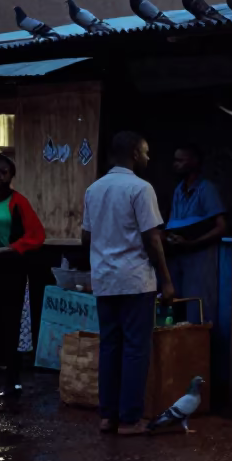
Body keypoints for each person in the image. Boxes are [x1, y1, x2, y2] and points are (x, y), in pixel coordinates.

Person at [82, 132, 175, 435]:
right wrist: (166, 280)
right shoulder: (140, 188)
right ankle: (130, 419)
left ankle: (107, 417)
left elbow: (86, 236)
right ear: (134, 153)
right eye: (146, 152)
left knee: (110, 346)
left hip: (105, 280)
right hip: (135, 280)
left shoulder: (93, 189)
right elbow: (152, 238)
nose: (149, 158)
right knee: (136, 348)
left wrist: (104, 254)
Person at [0, 152, 45, 398]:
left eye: (3, 172)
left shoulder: (19, 202)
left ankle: (12, 378)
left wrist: (12, 249)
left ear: (11, 176)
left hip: (10, 270)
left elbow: (37, 235)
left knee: (10, 322)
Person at [165, 144, 225, 326]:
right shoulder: (178, 190)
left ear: (194, 162)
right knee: (175, 311)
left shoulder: (207, 189)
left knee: (198, 313)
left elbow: (221, 227)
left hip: (200, 261)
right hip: (179, 259)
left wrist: (193, 243)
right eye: (175, 160)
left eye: (180, 160)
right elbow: (174, 224)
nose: (176, 164)